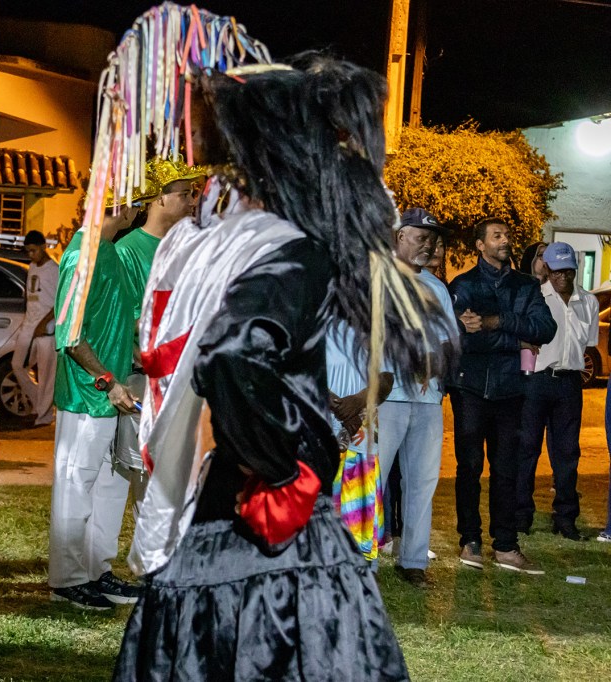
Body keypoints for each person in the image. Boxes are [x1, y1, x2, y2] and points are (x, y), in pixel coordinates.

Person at [112, 46, 443, 680]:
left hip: (232, 509)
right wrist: (280, 469)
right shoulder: (292, 252)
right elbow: (233, 354)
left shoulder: (242, 242)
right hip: (269, 531)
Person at [48, 194, 142, 611]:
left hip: (108, 397)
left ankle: (94, 571)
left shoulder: (107, 252)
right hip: (88, 397)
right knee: (75, 486)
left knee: (103, 488)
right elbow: (70, 334)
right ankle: (67, 580)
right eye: (135, 202)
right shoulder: (82, 257)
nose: (138, 210)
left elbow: (113, 323)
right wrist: (107, 380)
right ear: (120, 207)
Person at [447, 218, 556, 575]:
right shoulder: (463, 285)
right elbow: (464, 339)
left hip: (511, 390)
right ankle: (470, 540)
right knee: (469, 467)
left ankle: (506, 545)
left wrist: (498, 321)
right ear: (480, 245)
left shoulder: (526, 285)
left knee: (507, 469)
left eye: (507, 235)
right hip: (470, 388)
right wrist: (517, 339)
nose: (505, 240)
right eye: (497, 236)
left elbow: (546, 329)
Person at [377, 207, 457, 585]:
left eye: (432, 239)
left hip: (427, 400)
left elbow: (449, 342)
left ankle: (413, 561)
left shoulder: (437, 288)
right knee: (372, 480)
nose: (428, 245)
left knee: (422, 483)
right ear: (399, 236)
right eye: (421, 237)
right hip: (385, 398)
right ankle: (361, 559)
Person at [516, 242, 598, 540]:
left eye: (568, 270)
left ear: (575, 269)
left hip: (569, 383)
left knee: (567, 453)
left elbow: (588, 343)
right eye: (557, 270)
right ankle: (520, 515)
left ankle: (565, 518)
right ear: (547, 269)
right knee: (527, 449)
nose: (562, 276)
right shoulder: (535, 298)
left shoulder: (589, 302)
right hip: (536, 381)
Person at [326, 323, 393, 562]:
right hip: (321, 433)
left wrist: (358, 401)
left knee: (356, 520)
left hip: (360, 438)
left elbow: (386, 378)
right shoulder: (313, 321)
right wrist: (341, 408)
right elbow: (298, 371)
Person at [115, 157, 203, 332]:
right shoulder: (126, 251)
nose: (192, 202)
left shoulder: (189, 243)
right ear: (160, 198)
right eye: (184, 195)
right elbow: (125, 319)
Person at [11, 229, 59, 426]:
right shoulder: (32, 267)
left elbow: (59, 302)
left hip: (47, 330)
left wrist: (43, 323)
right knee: (17, 365)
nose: (31, 255)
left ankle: (44, 415)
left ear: (43, 247)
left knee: (47, 375)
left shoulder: (54, 270)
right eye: (28, 251)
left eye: (34, 250)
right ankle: (40, 405)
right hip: (29, 327)